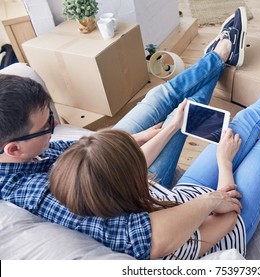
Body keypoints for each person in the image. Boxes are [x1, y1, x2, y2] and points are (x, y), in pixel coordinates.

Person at [49, 11, 260, 260]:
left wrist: (171, 127)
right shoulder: (158, 243)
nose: (141, 159)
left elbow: (132, 163)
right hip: (227, 221)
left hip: (186, 194)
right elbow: (227, 214)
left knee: (242, 123)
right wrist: (224, 161)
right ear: (124, 183)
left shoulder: (93, 196)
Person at [0, 7, 247, 260]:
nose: (54, 129)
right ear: (14, 149)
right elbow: (140, 237)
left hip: (103, 159)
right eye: (47, 126)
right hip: (119, 179)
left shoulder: (29, 151)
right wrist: (211, 199)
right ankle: (222, 54)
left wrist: (133, 139)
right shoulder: (33, 193)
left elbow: (83, 148)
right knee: (179, 119)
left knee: (159, 97)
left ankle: (216, 59)